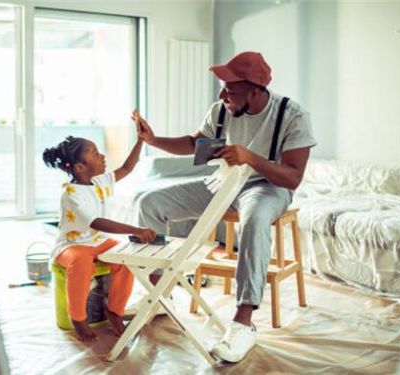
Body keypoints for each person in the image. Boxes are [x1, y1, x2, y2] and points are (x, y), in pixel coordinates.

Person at [133, 51, 317, 362]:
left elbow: (293, 177)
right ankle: (158, 295)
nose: (222, 95)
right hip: (224, 182)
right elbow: (194, 143)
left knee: (255, 218)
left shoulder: (292, 115)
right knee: (151, 202)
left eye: (230, 90)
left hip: (267, 187)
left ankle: (243, 323)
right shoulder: (222, 109)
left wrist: (251, 157)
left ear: (255, 92)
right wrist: (153, 140)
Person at [43, 118, 157, 342]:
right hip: (73, 245)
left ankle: (114, 311)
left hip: (99, 241)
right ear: (79, 168)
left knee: (126, 259)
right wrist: (134, 228)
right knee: (81, 263)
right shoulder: (71, 193)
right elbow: (96, 222)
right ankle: (78, 318)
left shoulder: (100, 181)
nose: (102, 156)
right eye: (95, 154)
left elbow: (127, 168)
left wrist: (140, 141)